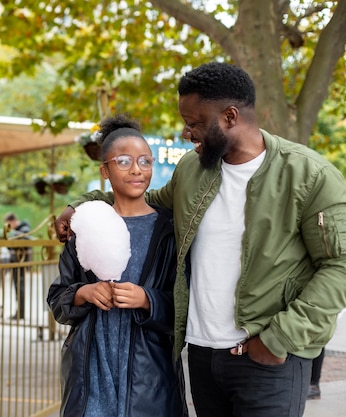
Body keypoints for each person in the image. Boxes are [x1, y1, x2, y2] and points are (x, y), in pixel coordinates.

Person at [55, 62, 346, 417]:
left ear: (230, 116)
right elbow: (146, 204)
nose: (186, 132)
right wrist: (81, 206)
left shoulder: (308, 175)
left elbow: (339, 265)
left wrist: (282, 337)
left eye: (194, 123)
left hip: (269, 358)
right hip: (203, 356)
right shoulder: (192, 170)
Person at [47, 114, 186, 417]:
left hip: (149, 373)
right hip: (92, 369)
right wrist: (83, 293)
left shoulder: (168, 231)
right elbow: (58, 299)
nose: (136, 169)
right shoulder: (84, 226)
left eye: (145, 161)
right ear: (105, 170)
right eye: (123, 161)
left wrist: (147, 299)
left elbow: (186, 305)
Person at [4, 212, 32, 320]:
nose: (9, 228)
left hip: (21, 262)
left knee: (20, 288)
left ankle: (21, 312)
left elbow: (23, 240)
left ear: (13, 221)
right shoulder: (18, 231)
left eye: (9, 225)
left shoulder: (24, 228)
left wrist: (13, 237)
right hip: (16, 262)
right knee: (18, 287)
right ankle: (19, 311)